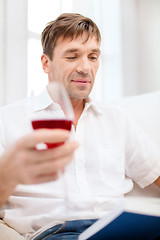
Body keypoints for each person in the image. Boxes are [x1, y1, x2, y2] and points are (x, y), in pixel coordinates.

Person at [0, 13, 159, 240]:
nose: (85, 68)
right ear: (46, 63)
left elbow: (154, 171)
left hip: (119, 228)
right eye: (72, 56)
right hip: (58, 232)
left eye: (93, 57)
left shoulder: (116, 118)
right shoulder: (8, 120)